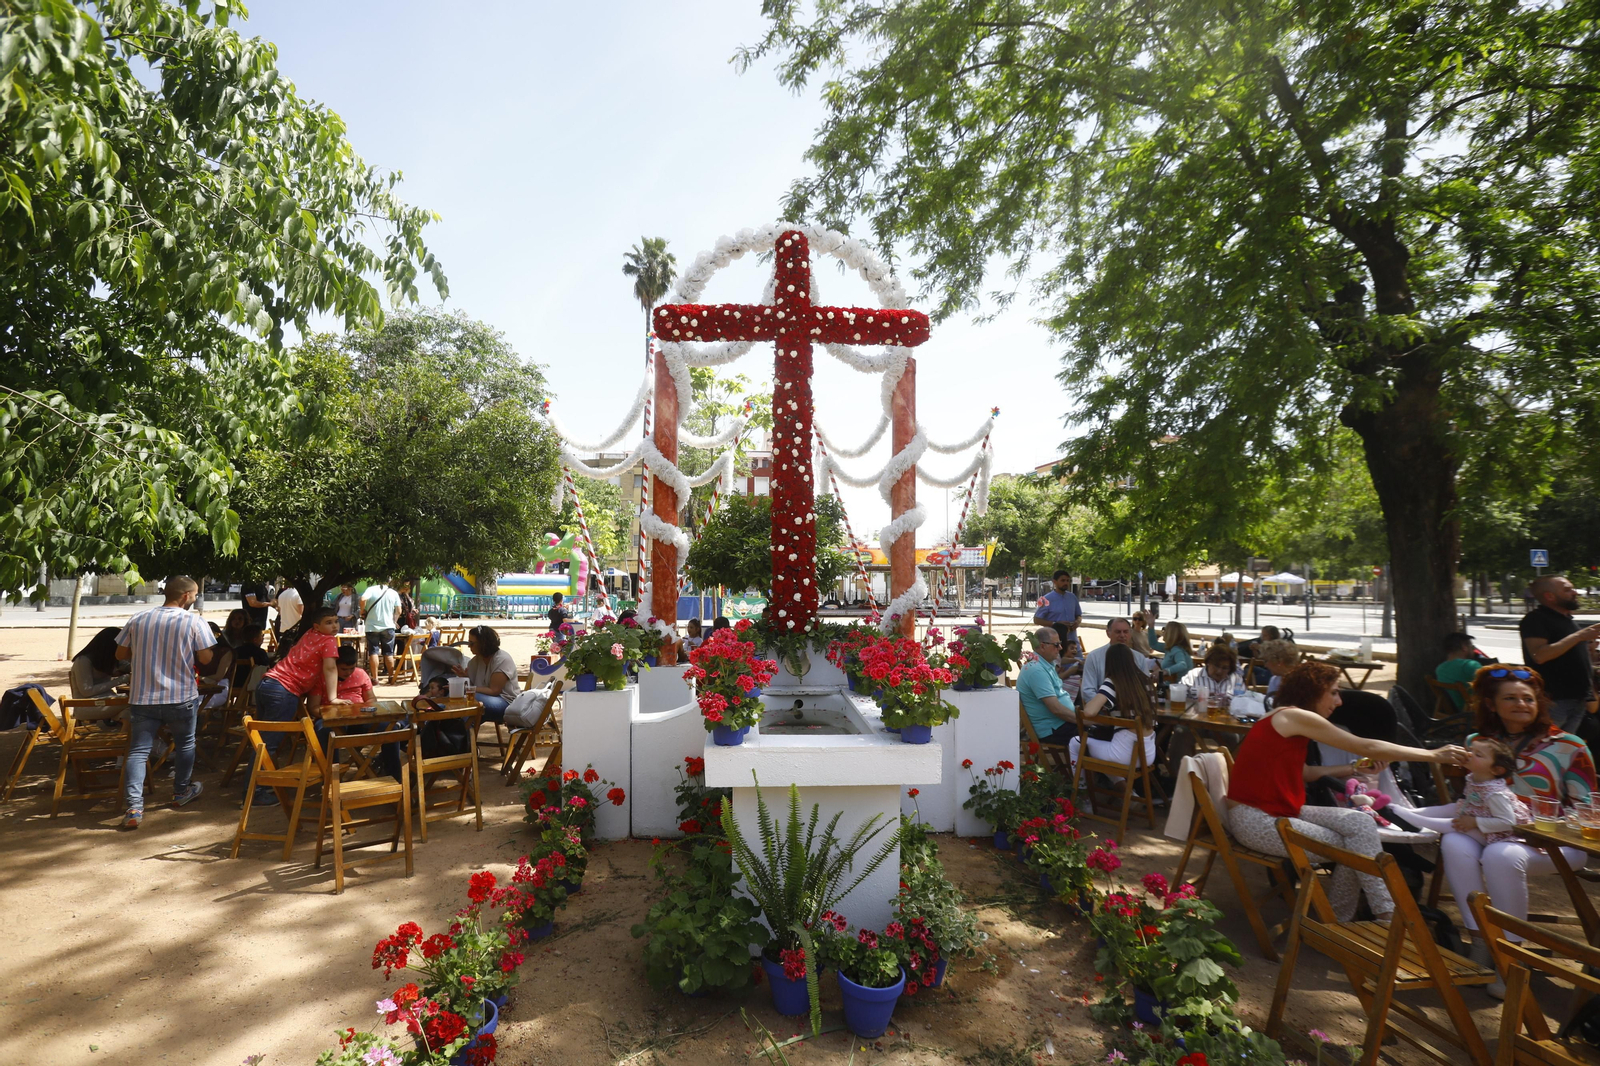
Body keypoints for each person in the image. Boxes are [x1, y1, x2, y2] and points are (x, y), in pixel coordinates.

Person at [1226, 661, 1467, 922]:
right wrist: (1433, 755)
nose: (1339, 701)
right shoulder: (1295, 716)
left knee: (1359, 822)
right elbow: (1368, 747)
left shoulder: (1286, 717)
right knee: (1357, 845)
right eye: (1333, 692)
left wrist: (1352, 767)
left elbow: (1305, 772)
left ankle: (1342, 920)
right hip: (1256, 820)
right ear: (1312, 691)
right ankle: (1380, 915)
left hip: (1276, 811)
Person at [1410, 665, 1593, 989]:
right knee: (1455, 843)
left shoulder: (1571, 746)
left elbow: (1588, 809)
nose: (1522, 704)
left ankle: (1510, 957)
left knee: (1501, 855)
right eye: (1511, 698)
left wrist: (1541, 823)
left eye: (1528, 698)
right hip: (1488, 830)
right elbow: (1469, 797)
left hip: (1553, 842)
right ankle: (1481, 941)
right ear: (1491, 704)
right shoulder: (1477, 742)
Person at [114, 576, 215, 829]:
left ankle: (134, 807)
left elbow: (120, 653)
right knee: (185, 744)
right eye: (193, 595)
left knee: (138, 751)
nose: (194, 599)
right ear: (185, 596)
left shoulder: (139, 618)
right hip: (181, 696)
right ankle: (181, 791)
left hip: (143, 696)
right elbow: (205, 657)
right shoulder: (194, 620)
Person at [250, 606, 342, 807]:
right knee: (268, 743)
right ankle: (255, 793)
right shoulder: (328, 640)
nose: (334, 625)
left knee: (263, 740)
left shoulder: (311, 634)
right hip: (284, 690)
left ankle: (261, 787)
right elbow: (329, 666)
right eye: (329, 622)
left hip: (268, 684)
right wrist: (333, 698)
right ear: (317, 625)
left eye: (336, 621)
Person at [1519, 575, 1600, 733]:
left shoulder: (1567, 620)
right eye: (1567, 590)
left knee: (1565, 750)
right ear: (1549, 596)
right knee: (1544, 746)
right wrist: (1580, 636)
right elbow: (1539, 655)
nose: (1574, 592)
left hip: (1577, 699)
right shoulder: (1535, 619)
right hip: (1554, 700)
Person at [1071, 643, 1158, 775]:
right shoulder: (1146, 681)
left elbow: (1089, 711)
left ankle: (1082, 791)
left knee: (1075, 743)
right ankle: (1123, 788)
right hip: (1148, 754)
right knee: (1107, 745)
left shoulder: (1113, 682)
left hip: (1123, 755)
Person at [1018, 627, 1075, 745]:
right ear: (1043, 646)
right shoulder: (1037, 670)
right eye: (1056, 644)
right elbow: (1056, 709)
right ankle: (1080, 763)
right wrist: (1082, 720)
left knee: (1100, 728)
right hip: (1052, 729)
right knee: (1099, 734)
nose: (1060, 647)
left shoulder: (1044, 664)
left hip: (1059, 723)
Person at [1080, 618, 1158, 698]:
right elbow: (1087, 691)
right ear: (1108, 633)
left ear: (1130, 633)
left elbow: (1145, 686)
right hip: (1103, 707)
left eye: (1125, 632)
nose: (1122, 635)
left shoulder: (1139, 658)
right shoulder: (1094, 657)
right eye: (1118, 632)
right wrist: (1104, 705)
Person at [461, 625, 521, 723]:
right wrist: (464, 677)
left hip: (507, 703)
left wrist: (468, 689)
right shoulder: (475, 661)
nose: (469, 646)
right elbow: (476, 684)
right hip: (485, 700)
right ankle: (462, 734)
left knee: (470, 699)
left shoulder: (502, 659)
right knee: (466, 709)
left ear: (483, 644)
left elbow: (494, 690)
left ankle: (462, 735)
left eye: (471, 643)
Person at [70, 627, 129, 703]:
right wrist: (121, 680)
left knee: (135, 706)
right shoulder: (83, 661)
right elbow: (87, 691)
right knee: (132, 707)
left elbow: (126, 666)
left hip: (106, 699)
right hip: (88, 705)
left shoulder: (105, 659)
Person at [361, 577, 402, 682]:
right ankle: (391, 676)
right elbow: (399, 610)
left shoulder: (371, 589)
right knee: (389, 652)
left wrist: (362, 611)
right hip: (388, 626)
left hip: (371, 626)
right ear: (389, 581)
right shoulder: (393, 593)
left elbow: (362, 599)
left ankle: (375, 678)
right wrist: (394, 619)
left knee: (373, 652)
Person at [1435, 631, 1487, 711]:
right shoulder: (1470, 665)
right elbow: (1490, 685)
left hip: (1457, 711)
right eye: (1472, 646)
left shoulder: (1440, 669)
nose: (1473, 649)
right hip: (1475, 711)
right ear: (1464, 647)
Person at [1033, 570, 1083, 648]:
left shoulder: (1072, 597)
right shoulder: (1046, 599)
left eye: (1068, 581)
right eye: (1062, 580)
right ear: (1055, 582)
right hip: (1055, 644)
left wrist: (1077, 622)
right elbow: (1036, 620)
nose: (1066, 583)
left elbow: (1078, 615)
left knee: (1078, 660)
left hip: (1072, 643)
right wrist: (1056, 624)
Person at [1183, 643, 1242, 709]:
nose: (1219, 671)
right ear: (1208, 662)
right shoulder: (1193, 676)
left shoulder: (1236, 680)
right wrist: (1201, 700)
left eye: (1225, 668)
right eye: (1216, 666)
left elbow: (1245, 703)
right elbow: (1177, 696)